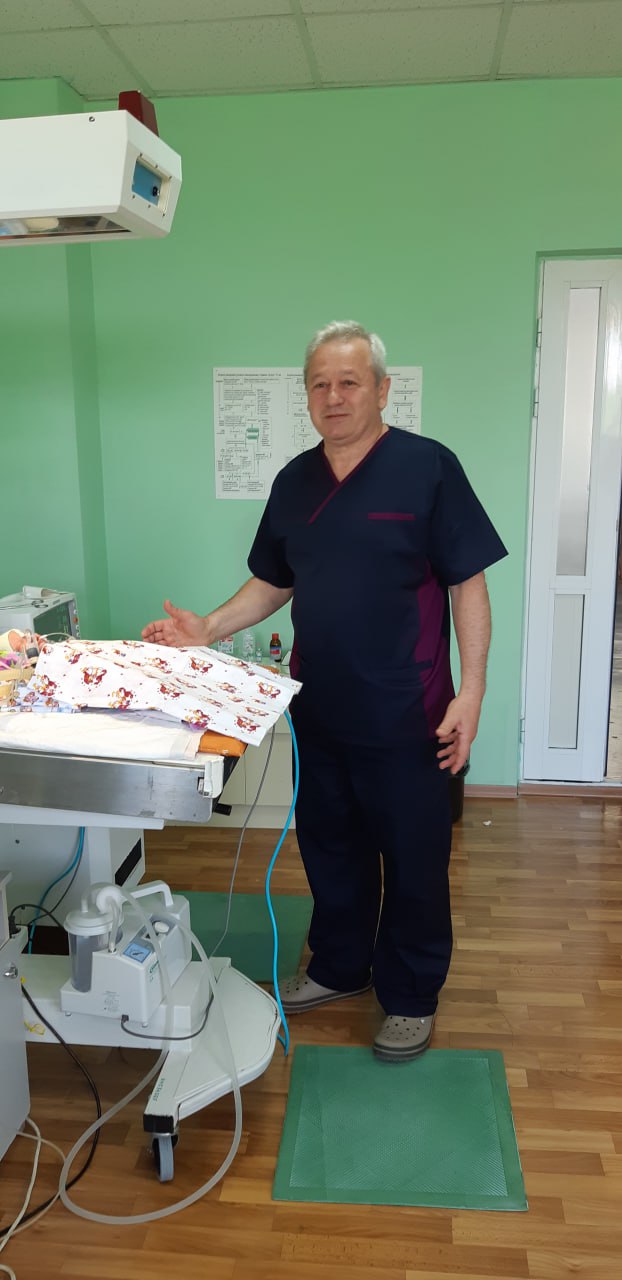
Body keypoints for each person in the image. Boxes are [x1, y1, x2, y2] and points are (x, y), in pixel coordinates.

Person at [142, 320, 507, 1062]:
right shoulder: (295, 481)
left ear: (382, 389)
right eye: (319, 384)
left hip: (410, 711)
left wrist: (471, 693)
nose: (333, 396)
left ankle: (410, 995)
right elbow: (274, 581)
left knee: (413, 858)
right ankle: (341, 966)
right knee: (331, 847)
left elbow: (467, 583)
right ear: (306, 395)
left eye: (349, 382)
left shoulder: (428, 468)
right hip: (320, 709)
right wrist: (208, 626)